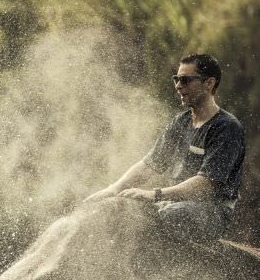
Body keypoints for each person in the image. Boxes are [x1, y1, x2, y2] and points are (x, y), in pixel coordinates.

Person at [85, 53, 246, 241]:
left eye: (185, 80)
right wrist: (113, 189)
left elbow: (206, 184)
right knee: (120, 208)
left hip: (212, 211)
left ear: (209, 83)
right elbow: (150, 164)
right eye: (176, 79)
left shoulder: (227, 127)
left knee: (165, 217)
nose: (178, 86)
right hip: (174, 202)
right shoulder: (180, 121)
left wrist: (156, 194)